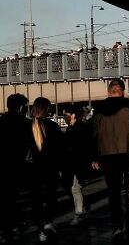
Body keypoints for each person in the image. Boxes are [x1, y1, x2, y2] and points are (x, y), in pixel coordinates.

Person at [91, 78, 129, 240]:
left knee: (113, 193)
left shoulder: (99, 110)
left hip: (107, 157)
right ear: (122, 91)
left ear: (109, 91)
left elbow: (94, 136)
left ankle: (117, 227)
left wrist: (95, 157)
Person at [26, 97, 64, 242]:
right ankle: (49, 222)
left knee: (36, 199)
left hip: (32, 169)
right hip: (50, 168)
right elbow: (61, 149)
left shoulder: (27, 126)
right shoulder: (53, 127)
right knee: (50, 196)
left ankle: (40, 228)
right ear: (47, 109)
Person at [0, 94, 30, 242]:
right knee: (12, 197)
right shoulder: (25, 123)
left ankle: (7, 227)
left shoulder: (1, 121)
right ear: (20, 107)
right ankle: (13, 225)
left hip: (2, 165)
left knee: (6, 197)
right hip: (17, 165)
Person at [62, 105, 92, 226]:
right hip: (75, 163)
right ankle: (81, 211)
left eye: (66, 114)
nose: (65, 117)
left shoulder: (79, 128)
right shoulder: (73, 127)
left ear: (73, 115)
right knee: (75, 187)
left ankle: (79, 213)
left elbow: (82, 146)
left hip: (78, 163)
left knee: (75, 188)